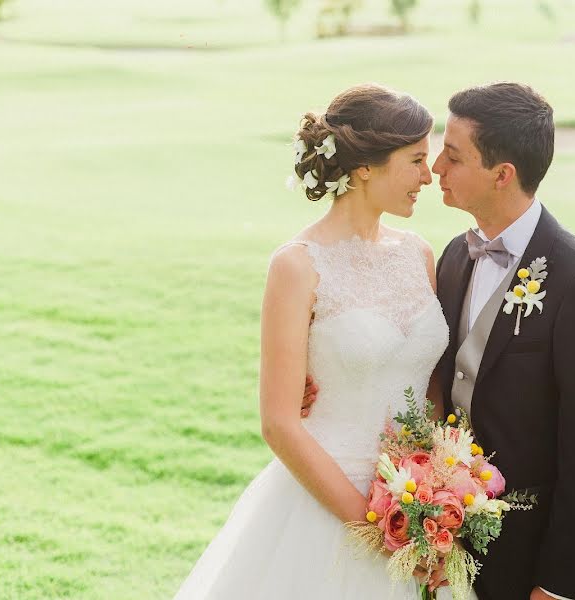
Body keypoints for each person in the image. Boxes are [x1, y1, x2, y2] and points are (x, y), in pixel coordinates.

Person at [174, 83, 448, 599]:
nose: (427, 177)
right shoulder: (297, 265)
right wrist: (375, 526)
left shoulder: (419, 254)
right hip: (326, 503)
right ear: (366, 166)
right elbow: (279, 423)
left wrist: (432, 491)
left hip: (417, 501)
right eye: (416, 161)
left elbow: (430, 383)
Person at [429, 82, 575, 600]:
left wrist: (559, 584)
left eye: (452, 156)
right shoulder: (455, 256)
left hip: (541, 561)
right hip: (455, 543)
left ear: (502, 175)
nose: (435, 169)